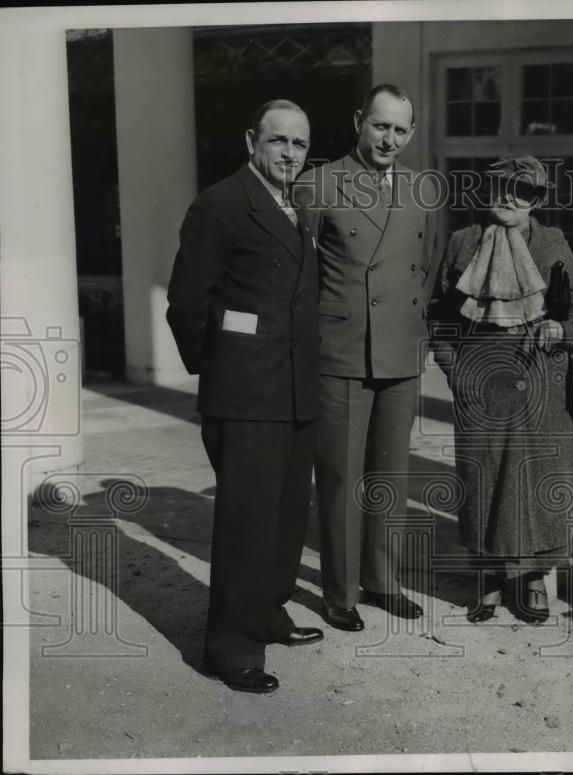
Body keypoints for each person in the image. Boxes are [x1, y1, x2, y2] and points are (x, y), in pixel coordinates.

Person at [166, 99, 323, 694]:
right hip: (247, 394)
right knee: (246, 524)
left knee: (286, 518)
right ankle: (230, 647)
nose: (289, 153)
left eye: (300, 144)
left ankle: (267, 612)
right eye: (278, 141)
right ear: (251, 140)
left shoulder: (296, 204)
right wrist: (224, 368)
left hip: (295, 391)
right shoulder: (220, 204)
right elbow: (186, 302)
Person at [295, 84, 440, 632]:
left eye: (401, 130)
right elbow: (299, 276)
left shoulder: (422, 189)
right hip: (342, 350)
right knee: (341, 476)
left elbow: (425, 270)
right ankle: (341, 591)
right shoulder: (318, 184)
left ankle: (384, 581)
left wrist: (411, 327)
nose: (390, 139)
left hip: (399, 348)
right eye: (381, 126)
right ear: (360, 120)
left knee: (390, 474)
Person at [429, 155, 573, 624]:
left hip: (540, 380)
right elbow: (439, 316)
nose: (507, 197)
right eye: (499, 186)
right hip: (479, 381)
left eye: (520, 190)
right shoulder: (462, 243)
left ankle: (533, 575)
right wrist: (453, 367)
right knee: (485, 479)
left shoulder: (554, 243)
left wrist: (561, 331)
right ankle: (490, 577)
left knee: (535, 479)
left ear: (536, 199)